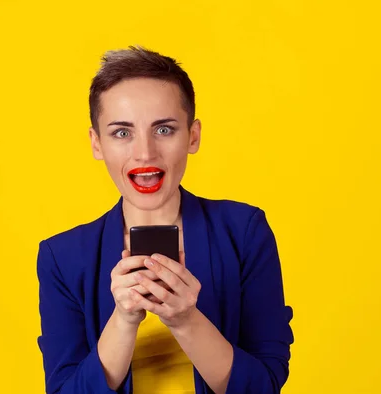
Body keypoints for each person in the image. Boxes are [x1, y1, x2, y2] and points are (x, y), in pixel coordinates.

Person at [36, 46, 294, 394]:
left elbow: (263, 386)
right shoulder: (62, 258)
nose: (145, 153)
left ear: (193, 136)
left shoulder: (244, 232)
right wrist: (124, 320)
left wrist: (185, 319)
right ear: (97, 143)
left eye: (164, 129)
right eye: (122, 133)